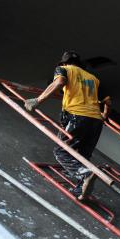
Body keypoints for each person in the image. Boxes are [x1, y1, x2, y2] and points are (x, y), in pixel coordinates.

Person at [24, 51, 110, 200]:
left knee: (61, 151)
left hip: (77, 116)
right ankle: (81, 189)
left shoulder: (64, 69)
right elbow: (107, 101)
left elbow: (59, 82)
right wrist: (103, 116)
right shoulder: (93, 78)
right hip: (96, 121)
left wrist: (38, 100)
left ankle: (86, 174)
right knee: (83, 156)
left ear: (64, 63)